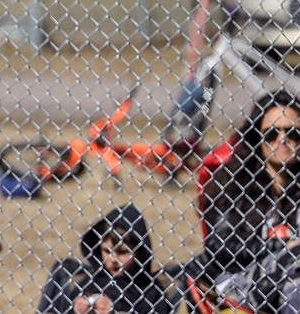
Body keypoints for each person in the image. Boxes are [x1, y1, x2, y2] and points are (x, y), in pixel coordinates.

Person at [196, 91, 300, 313]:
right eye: (272, 133)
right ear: (257, 138)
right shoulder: (231, 185)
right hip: (240, 282)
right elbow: (219, 247)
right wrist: (282, 248)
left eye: (293, 133)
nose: (283, 140)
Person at [37, 204, 171, 314]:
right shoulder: (90, 281)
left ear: (141, 252)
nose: (113, 258)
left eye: (122, 252)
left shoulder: (150, 291)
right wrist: (76, 309)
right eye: (107, 251)